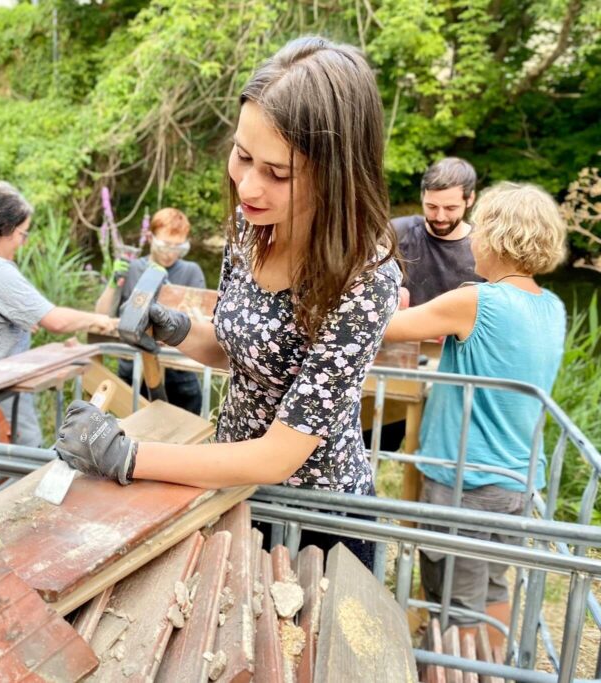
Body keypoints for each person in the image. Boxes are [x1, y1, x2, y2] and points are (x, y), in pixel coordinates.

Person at [54, 37, 402, 568]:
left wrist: (125, 454)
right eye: (242, 155)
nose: (247, 184)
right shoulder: (250, 226)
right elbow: (236, 351)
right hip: (229, 488)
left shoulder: (366, 275)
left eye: (276, 172)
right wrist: (174, 330)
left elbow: (279, 454)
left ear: (336, 173)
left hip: (317, 517)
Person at [383, 182, 567, 646]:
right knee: (492, 588)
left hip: (464, 479)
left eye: (479, 230)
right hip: (518, 479)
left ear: (495, 238)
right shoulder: (552, 307)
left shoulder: (476, 300)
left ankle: (452, 671)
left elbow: (385, 329)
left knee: (453, 604)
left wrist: (392, 298)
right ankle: (492, 670)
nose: (472, 241)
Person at [0, 181, 117, 447]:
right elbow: (56, 321)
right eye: (23, 233)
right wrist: (99, 319)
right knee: (20, 461)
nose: (22, 242)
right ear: (3, 231)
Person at [94, 208, 206, 414]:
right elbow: (101, 316)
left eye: (178, 248)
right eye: (164, 246)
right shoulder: (133, 268)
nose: (170, 253)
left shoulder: (191, 271)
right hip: (133, 372)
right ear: (150, 237)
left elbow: (201, 323)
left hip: (180, 375)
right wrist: (113, 283)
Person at [393, 157, 485, 306]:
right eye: (432, 207)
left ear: (470, 199)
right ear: (422, 196)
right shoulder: (396, 234)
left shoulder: (485, 248)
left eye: (450, 208)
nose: (440, 217)